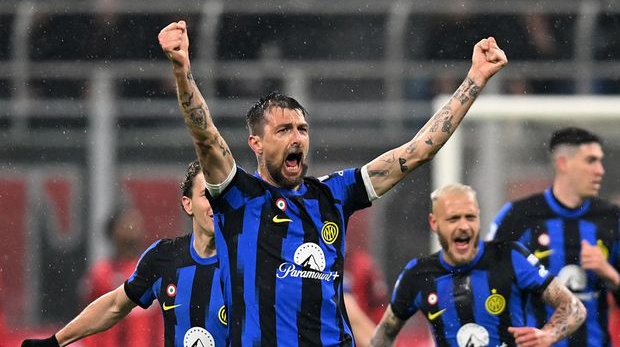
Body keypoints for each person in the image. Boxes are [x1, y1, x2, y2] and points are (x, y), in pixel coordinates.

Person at [159, 19, 507, 346]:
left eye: (302, 130)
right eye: (283, 130)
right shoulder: (239, 197)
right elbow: (205, 136)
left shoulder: (334, 193)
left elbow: (416, 152)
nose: (297, 138)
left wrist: (475, 79)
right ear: (257, 144)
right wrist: (181, 68)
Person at [21, 160, 228, 347]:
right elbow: (113, 306)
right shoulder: (163, 259)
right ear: (187, 203)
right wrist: (55, 342)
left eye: (221, 195)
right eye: (206, 195)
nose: (215, 203)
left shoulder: (248, 258)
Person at [371, 184, 586, 347]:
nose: (464, 226)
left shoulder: (510, 256)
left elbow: (574, 307)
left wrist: (548, 334)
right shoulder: (417, 276)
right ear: (434, 223)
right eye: (454, 219)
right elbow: (384, 333)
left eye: (470, 217)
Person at [487, 127, 620, 346]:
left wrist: (609, 274)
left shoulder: (612, 219)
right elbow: (489, 282)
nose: (600, 170)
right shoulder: (517, 216)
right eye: (591, 161)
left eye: (600, 161)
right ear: (563, 163)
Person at [80, 205, 162, 347]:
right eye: (127, 223)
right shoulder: (101, 274)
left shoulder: (154, 272)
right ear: (113, 231)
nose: (133, 228)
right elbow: (89, 323)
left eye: (136, 223)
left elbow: (162, 323)